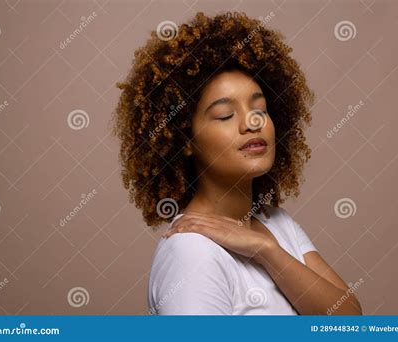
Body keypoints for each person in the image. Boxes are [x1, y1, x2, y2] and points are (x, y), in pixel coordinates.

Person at [112, 11, 362, 315]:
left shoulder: (278, 225)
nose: (252, 122)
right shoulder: (191, 252)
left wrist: (266, 251)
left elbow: (349, 318)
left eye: (260, 109)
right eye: (225, 115)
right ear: (185, 141)